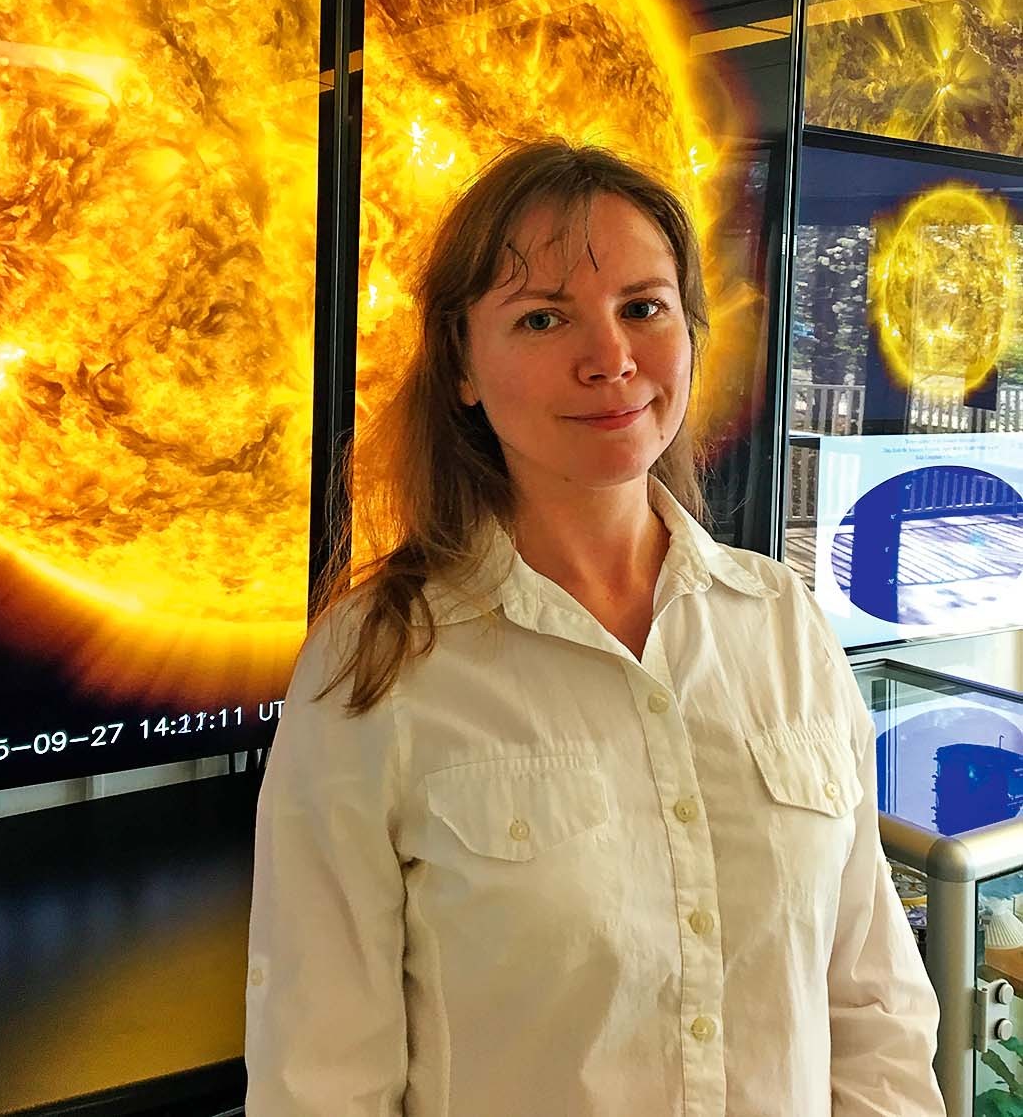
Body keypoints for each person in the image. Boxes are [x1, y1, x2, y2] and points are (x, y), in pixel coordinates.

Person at [244, 140, 946, 1116]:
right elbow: (320, 1078)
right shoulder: (377, 665)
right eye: (542, 317)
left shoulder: (783, 623)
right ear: (461, 363)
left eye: (642, 307)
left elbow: (871, 1007)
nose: (610, 358)